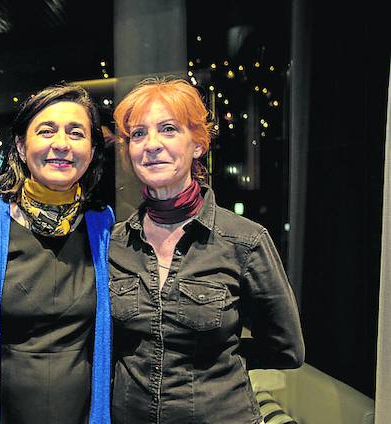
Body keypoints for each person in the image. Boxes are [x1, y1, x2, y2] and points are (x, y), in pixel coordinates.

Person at [108, 78, 304, 423]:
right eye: (139, 134)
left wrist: (220, 360)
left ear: (198, 144)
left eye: (168, 129)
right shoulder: (114, 243)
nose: (151, 145)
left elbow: (286, 348)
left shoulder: (244, 240)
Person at [0, 84, 113, 424]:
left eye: (76, 133)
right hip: (0, 415)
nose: (60, 144)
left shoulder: (103, 226)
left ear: (92, 149)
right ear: (21, 145)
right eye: (46, 131)